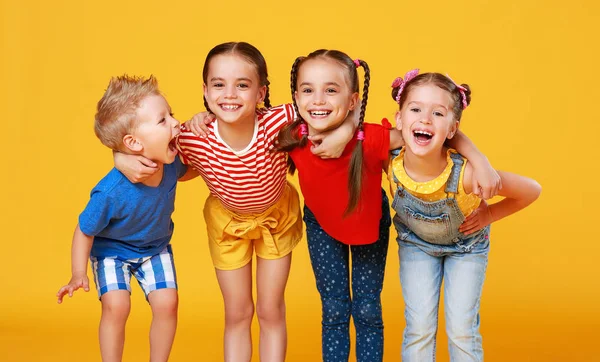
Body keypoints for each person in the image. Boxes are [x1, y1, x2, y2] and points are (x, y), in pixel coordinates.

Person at [114, 42, 356, 362]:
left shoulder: (281, 120)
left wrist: (345, 131)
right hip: (227, 227)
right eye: (219, 85)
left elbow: (337, 111)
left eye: (242, 85)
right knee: (238, 313)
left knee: (271, 311)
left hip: (276, 219)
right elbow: (146, 146)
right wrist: (119, 156)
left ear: (260, 93)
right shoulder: (191, 137)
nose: (229, 94)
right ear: (205, 90)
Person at [275, 51, 500, 362]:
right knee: (334, 307)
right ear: (296, 96)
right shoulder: (291, 134)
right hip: (321, 227)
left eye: (331, 90)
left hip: (369, 225)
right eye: (308, 90)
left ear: (352, 100)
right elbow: (243, 120)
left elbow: (432, 135)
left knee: (367, 307)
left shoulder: (372, 138)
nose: (318, 100)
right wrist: (201, 119)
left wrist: (480, 160)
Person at [388, 70, 541, 362]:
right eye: (415, 109)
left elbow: (531, 190)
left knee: (461, 330)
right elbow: (353, 137)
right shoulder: (388, 158)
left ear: (452, 129)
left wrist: (489, 215)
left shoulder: (469, 175)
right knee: (419, 328)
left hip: (466, 249)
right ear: (399, 119)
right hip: (416, 245)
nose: (424, 119)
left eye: (437, 113)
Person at [56, 75, 197, 362]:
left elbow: (192, 170)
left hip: (154, 248)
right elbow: (84, 229)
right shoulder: (111, 191)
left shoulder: (170, 165)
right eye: (163, 120)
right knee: (116, 306)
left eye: (172, 114)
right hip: (112, 253)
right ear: (133, 143)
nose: (175, 123)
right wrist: (78, 272)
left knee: (168, 303)